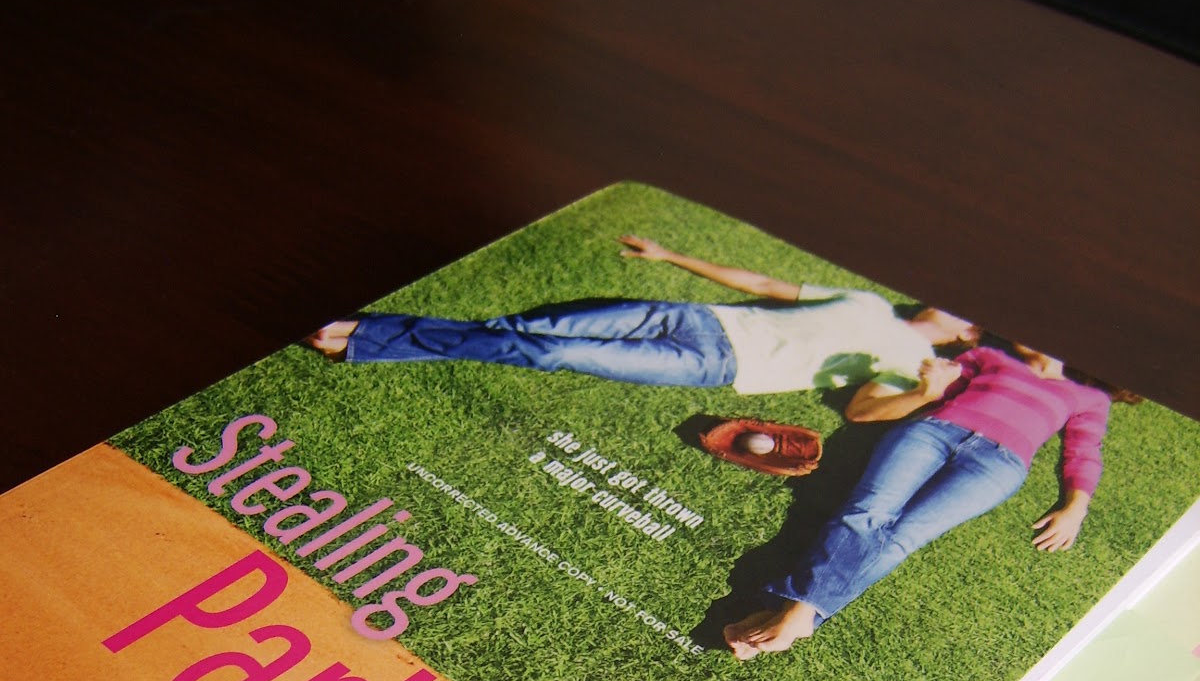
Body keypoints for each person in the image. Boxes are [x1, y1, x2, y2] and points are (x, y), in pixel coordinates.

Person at [722, 343, 1118, 659]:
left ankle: (785, 612)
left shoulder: (1089, 396)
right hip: (933, 433)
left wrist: (1075, 507)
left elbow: (1084, 451)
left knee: (900, 540)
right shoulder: (988, 356)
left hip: (999, 465)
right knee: (866, 514)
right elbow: (935, 391)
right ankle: (800, 615)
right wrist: (932, 382)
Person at [306, 235, 979, 396]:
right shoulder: (870, 302)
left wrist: (924, 392)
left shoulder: (918, 364)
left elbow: (863, 413)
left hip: (710, 365)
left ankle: (365, 333)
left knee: (547, 351)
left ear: (966, 333)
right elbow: (765, 284)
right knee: (523, 332)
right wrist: (669, 254)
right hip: (695, 317)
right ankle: (361, 338)